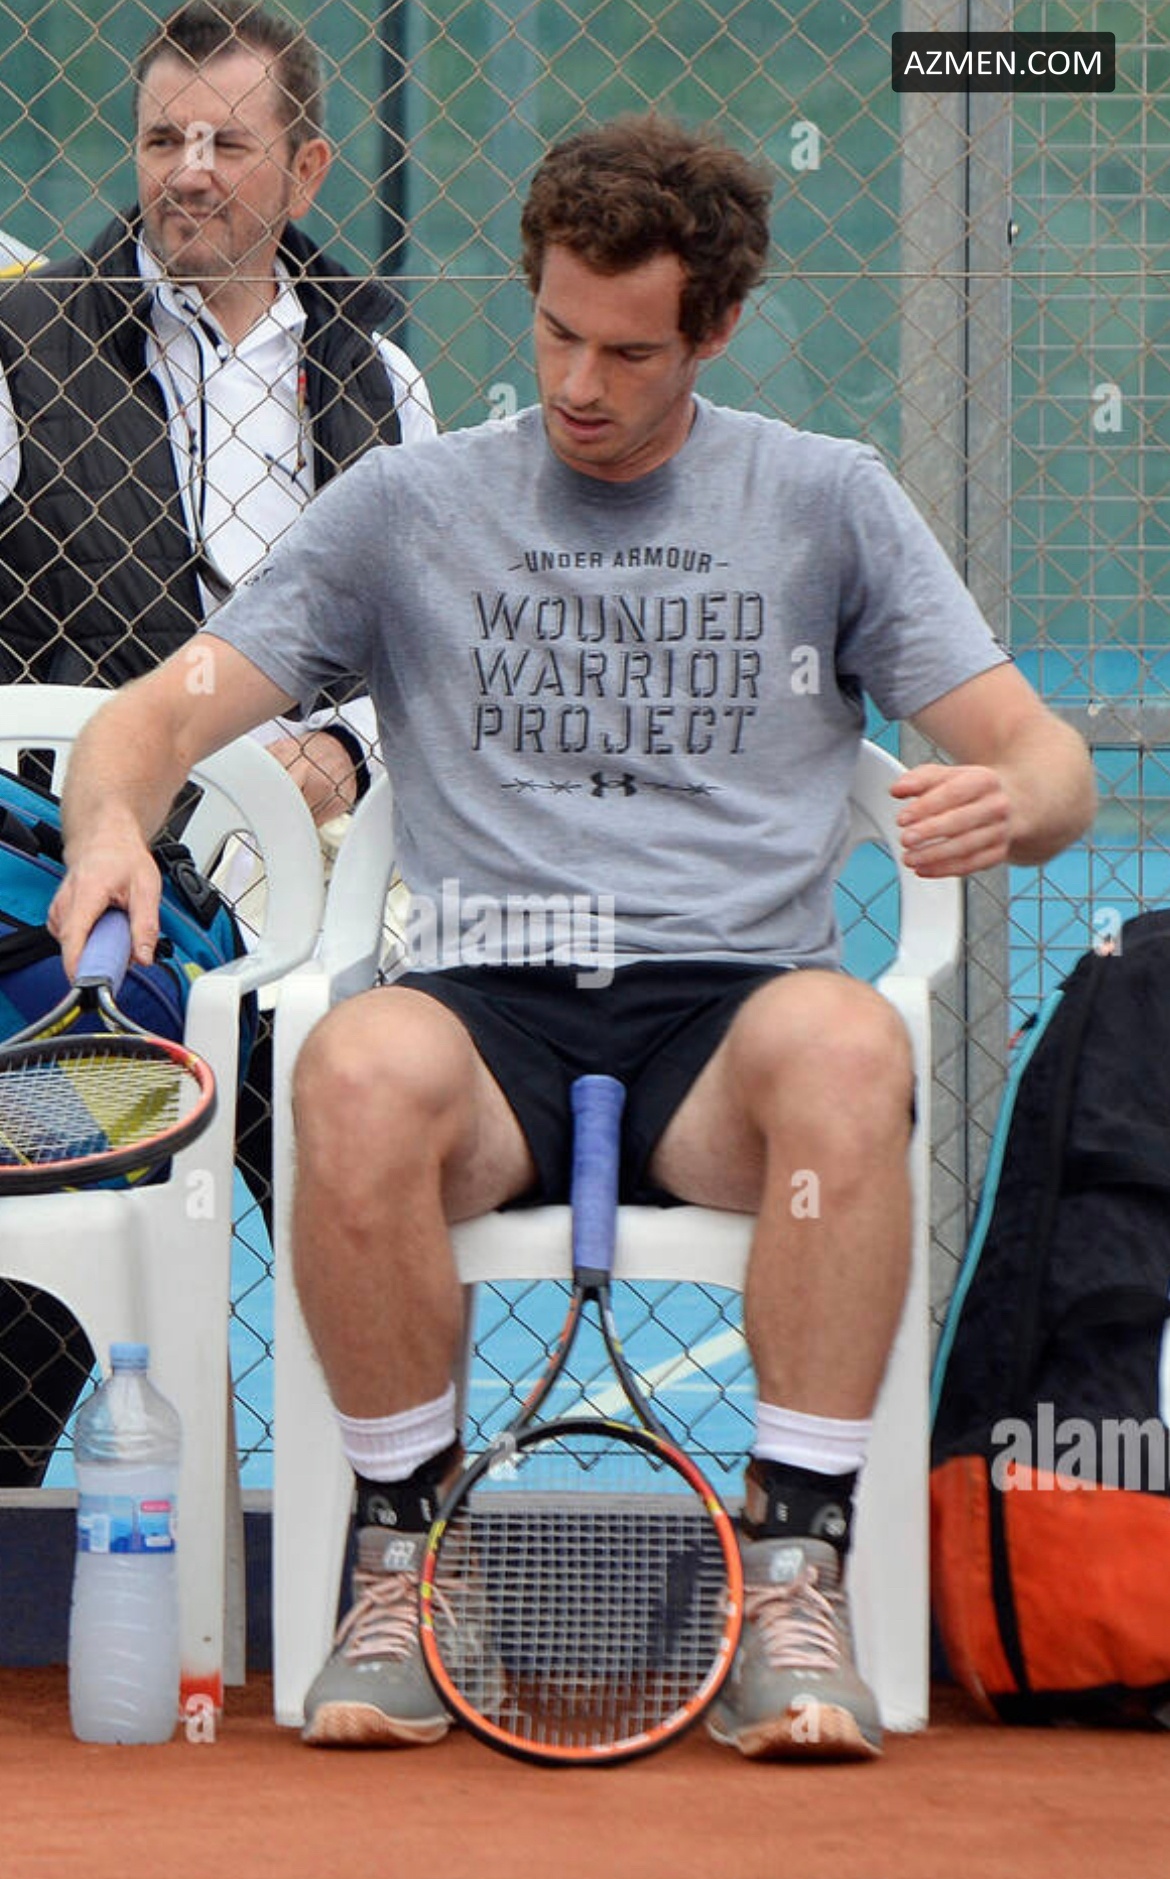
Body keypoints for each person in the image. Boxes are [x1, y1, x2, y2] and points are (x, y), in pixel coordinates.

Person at [48, 113, 1096, 1761]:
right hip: (484, 1016)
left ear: (716, 329)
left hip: (731, 1031)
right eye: (553, 333)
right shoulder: (408, 506)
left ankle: (794, 1576)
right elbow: (147, 722)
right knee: (351, 1066)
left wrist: (1012, 803)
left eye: (630, 352)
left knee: (849, 1043)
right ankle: (406, 1565)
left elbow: (1045, 760)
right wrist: (108, 824)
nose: (580, 385)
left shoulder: (826, 499)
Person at [0, 0, 435, 1487]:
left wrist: (346, 754)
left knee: (356, 1187)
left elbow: (424, 641)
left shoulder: (378, 377)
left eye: (228, 143)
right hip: (93, 883)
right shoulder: (17, 347)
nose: (187, 171)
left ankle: (382, 1509)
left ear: (304, 169)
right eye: (162, 138)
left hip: (311, 879)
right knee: (61, 1247)